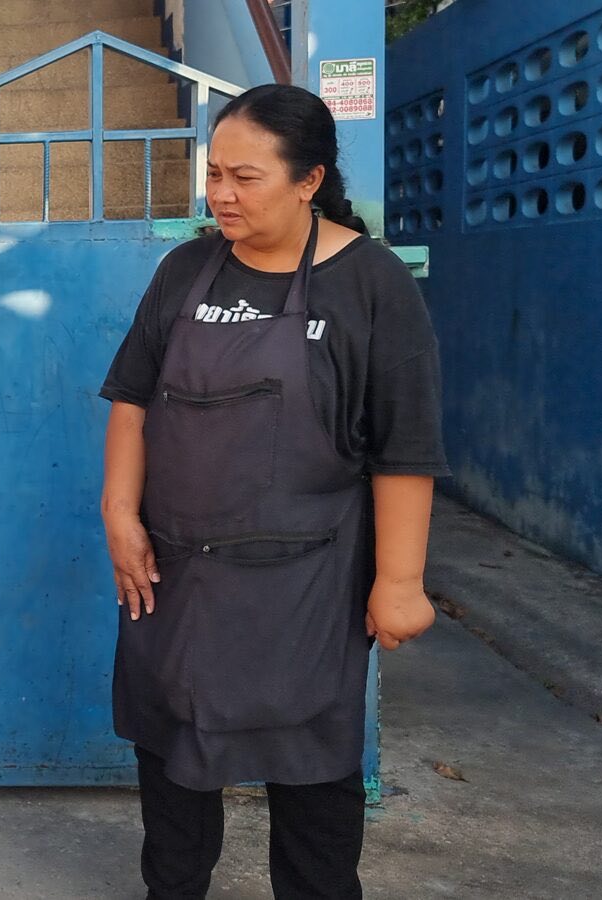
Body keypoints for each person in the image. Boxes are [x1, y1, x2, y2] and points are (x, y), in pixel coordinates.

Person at [99, 84, 447, 899]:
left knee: (314, 773)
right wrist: (119, 512)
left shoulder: (373, 285)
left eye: (244, 177)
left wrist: (399, 583)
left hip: (308, 587)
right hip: (179, 581)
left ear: (308, 180)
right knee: (174, 768)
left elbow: (407, 449)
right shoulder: (186, 270)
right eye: (214, 173)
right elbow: (132, 399)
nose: (220, 193)